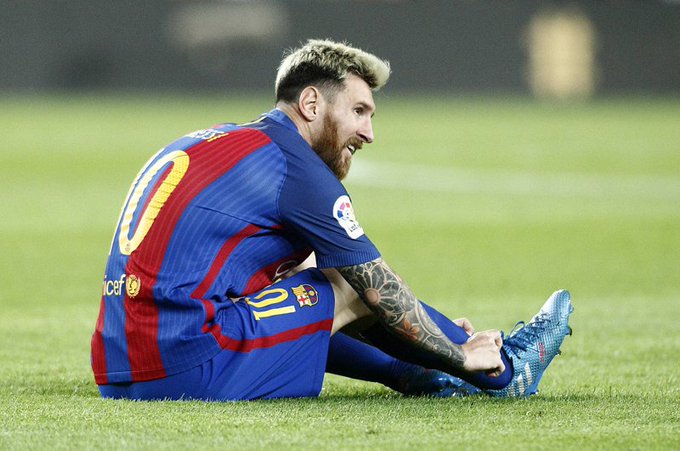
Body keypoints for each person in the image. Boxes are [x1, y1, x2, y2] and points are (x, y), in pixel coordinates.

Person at [91, 39, 573, 401]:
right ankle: (504, 371)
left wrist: (427, 336)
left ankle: (426, 370)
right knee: (345, 284)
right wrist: (457, 348)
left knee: (300, 282)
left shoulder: (218, 141)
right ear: (311, 104)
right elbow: (374, 289)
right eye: (359, 111)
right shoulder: (296, 167)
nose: (369, 132)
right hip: (185, 366)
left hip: (119, 367)